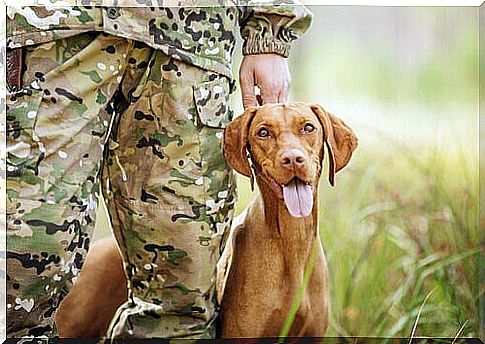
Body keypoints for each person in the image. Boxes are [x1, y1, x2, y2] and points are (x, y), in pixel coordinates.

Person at [6, 2, 312, 339]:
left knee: (177, 308)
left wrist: (269, 32)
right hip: (60, 29)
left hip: (192, 40)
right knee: (20, 276)